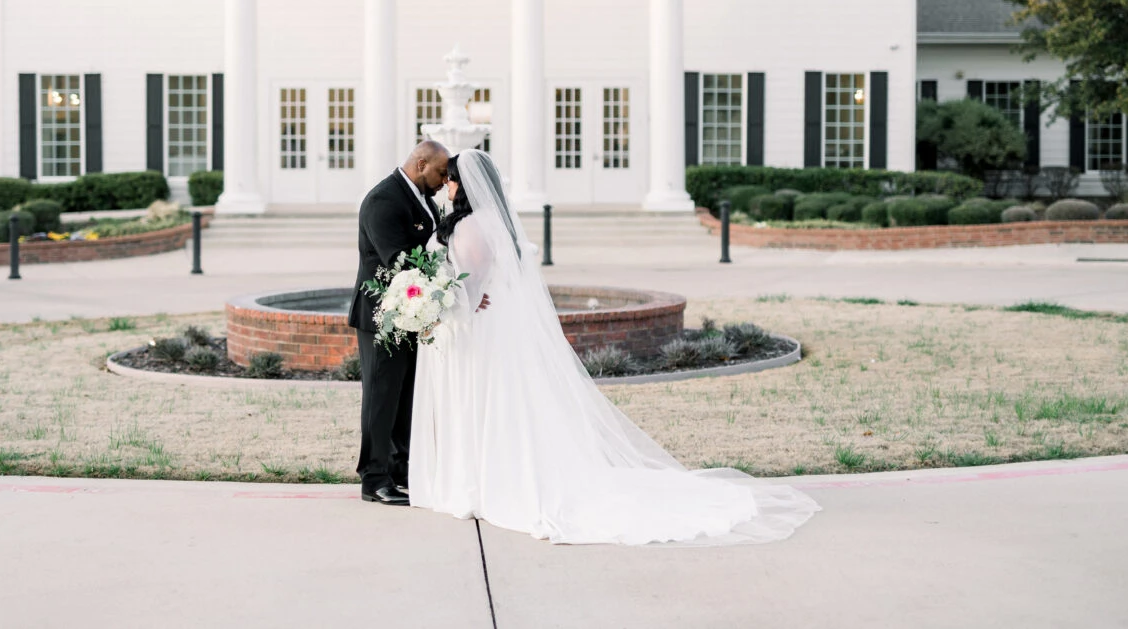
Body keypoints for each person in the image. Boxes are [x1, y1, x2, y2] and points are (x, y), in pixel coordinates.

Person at [409, 149, 821, 545]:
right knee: (498, 403)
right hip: (485, 326)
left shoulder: (472, 226)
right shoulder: (489, 222)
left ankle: (486, 483)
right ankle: (486, 477)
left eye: (451, 179)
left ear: (466, 186)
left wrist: (444, 301)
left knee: (491, 401)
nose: (446, 185)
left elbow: (472, 286)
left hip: (482, 328)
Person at [349, 140, 452, 506]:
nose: (444, 179)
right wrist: (446, 283)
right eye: (441, 172)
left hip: (410, 314)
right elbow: (399, 261)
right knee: (380, 398)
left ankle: (398, 470)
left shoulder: (424, 199)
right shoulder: (383, 200)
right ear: (420, 163)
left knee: (404, 397)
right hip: (381, 317)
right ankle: (374, 479)